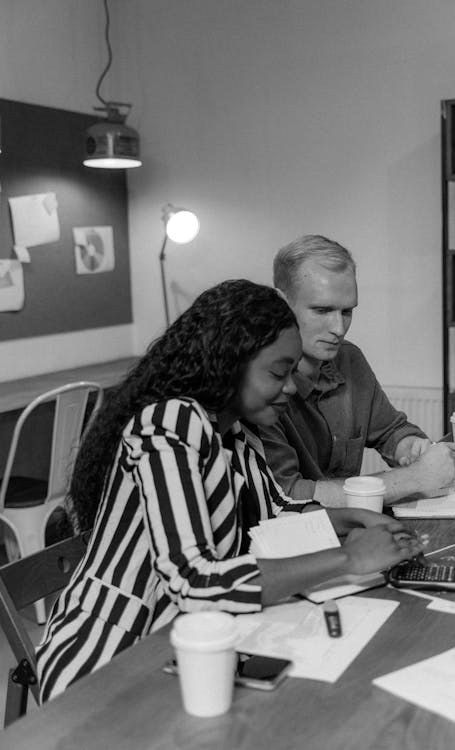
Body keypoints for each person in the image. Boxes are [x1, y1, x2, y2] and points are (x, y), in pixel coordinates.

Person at [37, 279, 420, 701]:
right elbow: (194, 581)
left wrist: (357, 516)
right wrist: (349, 557)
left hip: (179, 650)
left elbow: (277, 510)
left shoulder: (234, 430)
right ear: (230, 363)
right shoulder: (171, 424)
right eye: (279, 372)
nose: (291, 388)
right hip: (108, 661)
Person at [260, 235, 455, 507]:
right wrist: (413, 478)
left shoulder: (349, 358)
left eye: (347, 312)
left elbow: (391, 430)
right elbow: (287, 494)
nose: (339, 329)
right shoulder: (261, 384)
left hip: (352, 527)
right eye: (322, 310)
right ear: (281, 304)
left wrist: (413, 449)